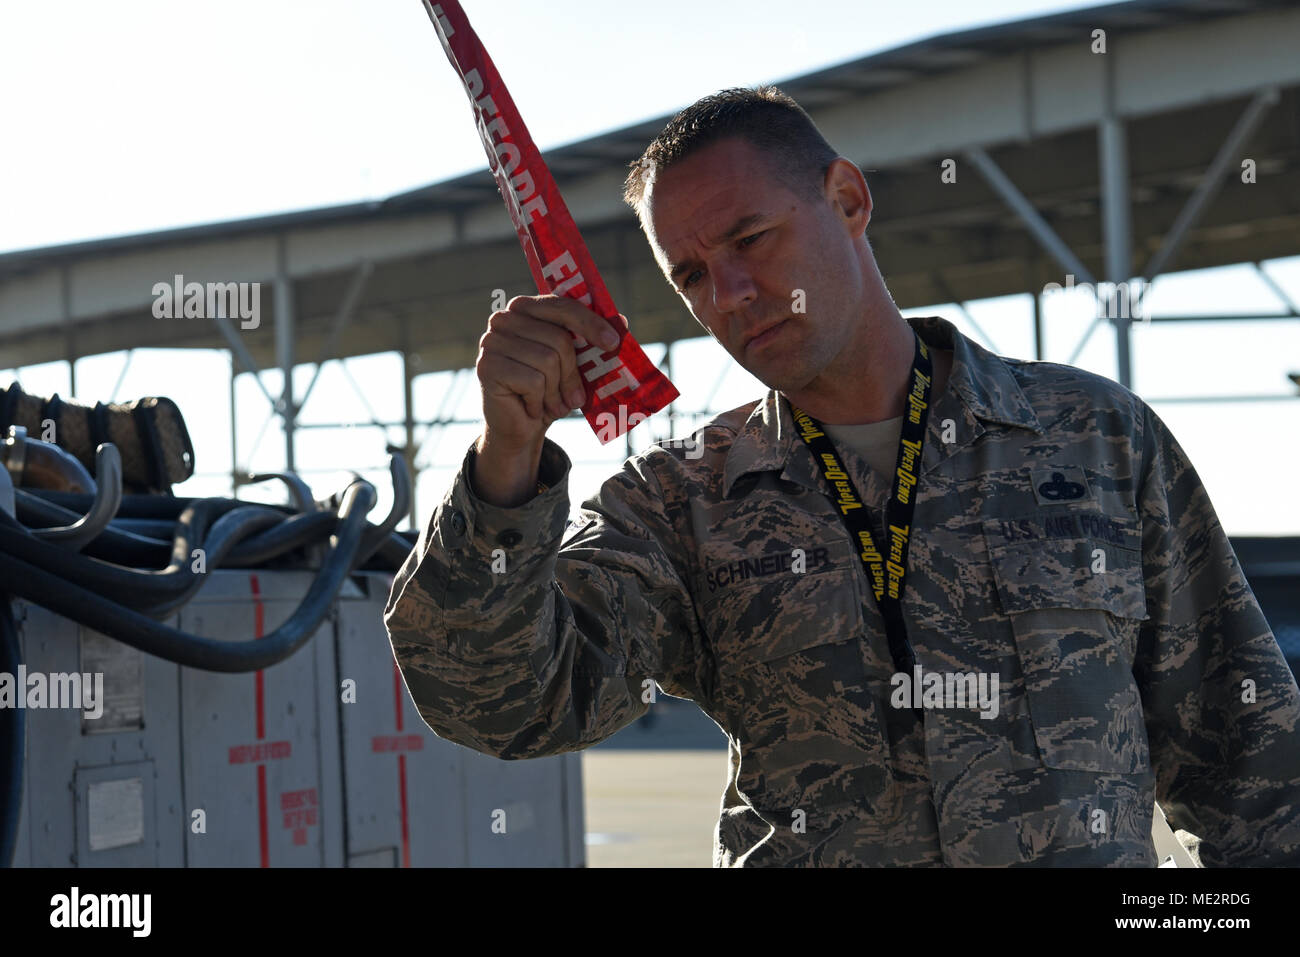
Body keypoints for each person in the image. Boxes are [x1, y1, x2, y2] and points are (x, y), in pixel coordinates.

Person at [384, 86, 1300, 866]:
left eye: (751, 237)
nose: (730, 294)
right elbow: (506, 702)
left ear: (849, 198)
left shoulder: (1094, 437)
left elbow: (1249, 761)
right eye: (693, 274)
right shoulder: (680, 500)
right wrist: (505, 462)